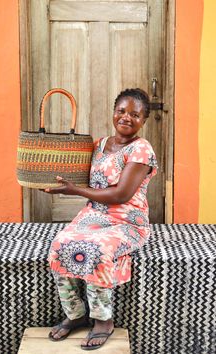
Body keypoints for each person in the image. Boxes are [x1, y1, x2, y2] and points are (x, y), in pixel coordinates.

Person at [42, 88, 158, 350]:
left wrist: (74, 191)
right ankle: (75, 314)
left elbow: (121, 194)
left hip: (126, 221)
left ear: (143, 120)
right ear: (113, 111)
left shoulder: (141, 149)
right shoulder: (99, 144)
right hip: (93, 215)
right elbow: (75, 174)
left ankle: (103, 320)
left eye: (135, 114)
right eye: (121, 111)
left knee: (97, 249)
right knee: (60, 243)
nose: (126, 117)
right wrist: (51, 181)